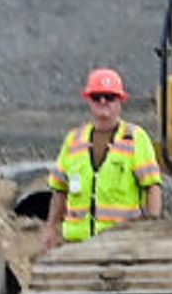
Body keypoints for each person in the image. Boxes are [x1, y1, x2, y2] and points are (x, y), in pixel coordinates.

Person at [51, 69, 162, 246]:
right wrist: (51, 228)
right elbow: (60, 190)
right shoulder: (73, 140)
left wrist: (152, 228)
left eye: (110, 97)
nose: (103, 101)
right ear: (89, 101)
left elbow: (152, 187)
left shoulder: (135, 138)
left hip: (121, 241)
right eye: (97, 97)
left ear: (120, 102)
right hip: (77, 243)